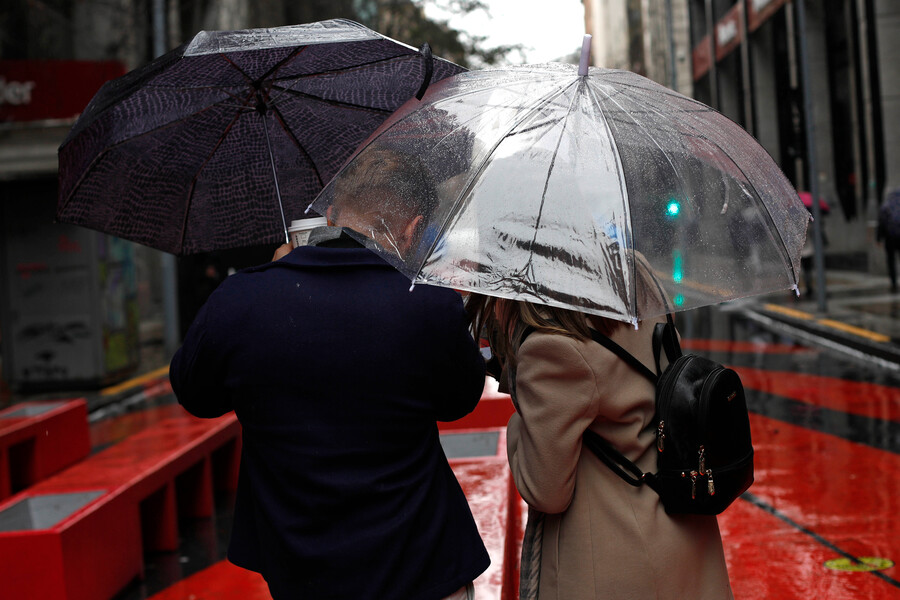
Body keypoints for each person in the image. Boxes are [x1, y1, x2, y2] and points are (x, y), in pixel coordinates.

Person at [169, 149, 490, 600]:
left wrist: (272, 278)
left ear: (332, 214)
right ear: (414, 229)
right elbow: (459, 400)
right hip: (420, 565)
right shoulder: (429, 306)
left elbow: (195, 394)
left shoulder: (240, 301)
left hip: (299, 571)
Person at [466, 257, 733, 600]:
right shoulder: (634, 271)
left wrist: (521, 418)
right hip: (685, 527)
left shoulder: (551, 344)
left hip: (612, 558)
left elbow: (545, 490)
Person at [877, 189, 900, 292]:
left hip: (889, 238)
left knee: (891, 261)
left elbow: (881, 223)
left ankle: (894, 282)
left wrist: (878, 238)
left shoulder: (885, 206)